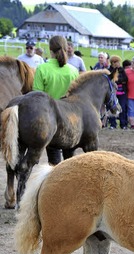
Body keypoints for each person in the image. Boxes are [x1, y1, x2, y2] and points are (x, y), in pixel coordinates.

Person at [32, 35, 79, 165]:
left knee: (53, 160)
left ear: (50, 49)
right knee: (69, 160)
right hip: (70, 120)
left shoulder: (42, 69)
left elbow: (37, 96)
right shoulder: (73, 71)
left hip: (50, 118)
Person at [108, 55, 128, 130]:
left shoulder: (122, 70)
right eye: (116, 62)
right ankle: (113, 124)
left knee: (122, 108)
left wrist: (117, 81)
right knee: (112, 108)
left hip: (122, 93)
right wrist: (119, 81)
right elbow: (110, 79)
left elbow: (125, 79)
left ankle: (123, 124)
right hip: (112, 93)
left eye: (118, 62)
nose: (118, 63)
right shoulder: (109, 70)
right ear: (112, 63)